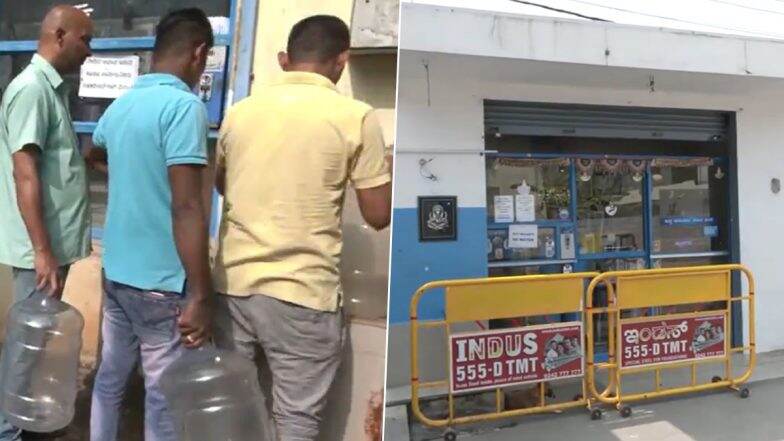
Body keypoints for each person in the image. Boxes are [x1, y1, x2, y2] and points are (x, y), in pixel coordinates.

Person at [212, 15, 392, 441]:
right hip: (302, 296)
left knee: (236, 412)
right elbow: (378, 214)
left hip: (233, 289)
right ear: (342, 61)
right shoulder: (356, 116)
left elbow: (222, 183)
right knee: (296, 420)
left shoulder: (241, 112)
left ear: (284, 60)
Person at [87, 8, 214, 441]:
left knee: (110, 379)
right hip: (162, 281)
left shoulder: (123, 105)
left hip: (117, 271)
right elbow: (187, 206)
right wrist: (201, 291)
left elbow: (94, 154)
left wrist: (130, 174)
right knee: (163, 395)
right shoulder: (183, 107)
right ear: (199, 53)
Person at [0, 6, 93, 440]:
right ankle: (7, 431)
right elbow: (26, 173)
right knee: (24, 346)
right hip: (40, 250)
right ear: (59, 35)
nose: (89, 50)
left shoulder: (52, 90)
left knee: (35, 346)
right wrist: (42, 251)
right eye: (84, 40)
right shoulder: (31, 90)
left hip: (51, 248)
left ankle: (20, 421)